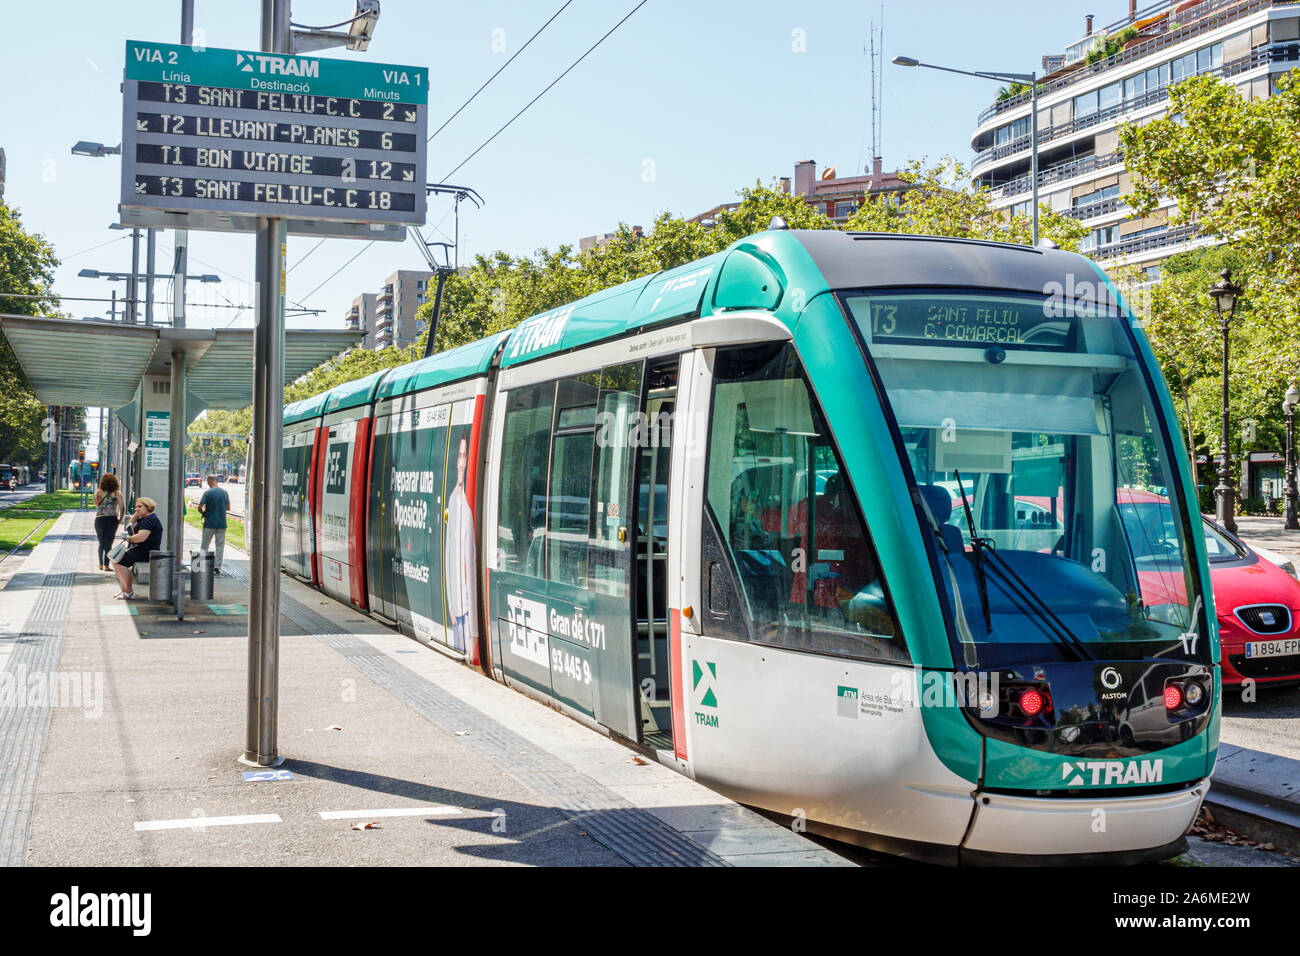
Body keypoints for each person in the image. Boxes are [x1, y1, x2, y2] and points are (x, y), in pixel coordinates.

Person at [444, 435, 477, 654]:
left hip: (469, 608)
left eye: (466, 456)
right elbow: (448, 558)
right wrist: (451, 605)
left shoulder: (469, 505)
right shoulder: (452, 501)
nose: (462, 462)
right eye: (460, 455)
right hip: (457, 609)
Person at [112, 497, 163, 599]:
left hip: (147, 551)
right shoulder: (144, 519)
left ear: (148, 507)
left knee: (120, 562)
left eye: (140, 506)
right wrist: (134, 518)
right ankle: (125, 590)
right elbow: (131, 531)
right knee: (116, 560)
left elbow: (140, 538)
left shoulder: (149, 520)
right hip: (142, 549)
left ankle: (128, 592)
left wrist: (129, 538)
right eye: (135, 507)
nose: (136, 509)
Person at [197, 474, 230, 574]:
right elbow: (228, 508)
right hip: (221, 524)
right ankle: (217, 566)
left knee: (204, 545)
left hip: (209, 523)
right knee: (220, 545)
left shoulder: (207, 493)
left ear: (210, 481)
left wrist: (204, 513)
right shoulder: (224, 493)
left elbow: (199, 507)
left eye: (208, 482)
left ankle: (202, 564)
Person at [93, 474, 125, 571]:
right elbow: (122, 508)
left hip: (99, 519)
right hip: (112, 519)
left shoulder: (98, 492)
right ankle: (107, 565)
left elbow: (97, 505)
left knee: (101, 542)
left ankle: (100, 564)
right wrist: (120, 518)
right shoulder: (117, 493)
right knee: (108, 543)